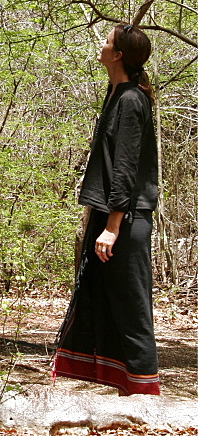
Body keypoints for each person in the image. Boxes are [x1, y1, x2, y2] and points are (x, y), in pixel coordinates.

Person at [53, 23, 160, 395]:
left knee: (131, 308)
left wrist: (112, 226)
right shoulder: (116, 92)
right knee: (99, 301)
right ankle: (123, 390)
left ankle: (145, 395)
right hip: (110, 215)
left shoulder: (132, 99)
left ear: (118, 55)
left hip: (127, 221)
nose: (101, 44)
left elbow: (127, 167)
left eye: (107, 41)